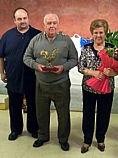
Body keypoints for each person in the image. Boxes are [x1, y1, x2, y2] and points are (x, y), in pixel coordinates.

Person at [23, 13, 78, 151]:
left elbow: (74, 59)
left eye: (54, 23)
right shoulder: (35, 40)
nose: (51, 25)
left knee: (63, 114)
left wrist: (63, 67)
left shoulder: (66, 41)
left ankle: (63, 139)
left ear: (58, 24)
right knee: (41, 113)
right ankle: (42, 136)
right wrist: (37, 66)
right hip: (41, 84)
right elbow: (26, 57)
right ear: (44, 25)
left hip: (61, 84)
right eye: (49, 23)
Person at [0, 7, 41, 141]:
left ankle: (34, 129)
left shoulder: (37, 35)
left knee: (33, 105)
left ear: (28, 18)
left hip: (32, 78)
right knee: (14, 106)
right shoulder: (7, 36)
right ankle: (15, 130)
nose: (22, 21)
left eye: (24, 18)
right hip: (13, 77)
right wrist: (2, 73)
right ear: (14, 21)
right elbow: (0, 56)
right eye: (19, 19)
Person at [78, 19, 118, 153]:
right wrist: (94, 73)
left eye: (101, 32)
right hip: (88, 88)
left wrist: (112, 72)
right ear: (92, 33)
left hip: (107, 89)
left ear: (106, 33)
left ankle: (101, 139)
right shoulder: (86, 49)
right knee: (88, 114)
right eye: (95, 32)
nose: (98, 35)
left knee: (104, 114)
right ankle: (87, 140)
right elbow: (80, 67)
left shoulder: (112, 49)